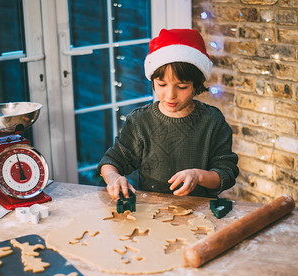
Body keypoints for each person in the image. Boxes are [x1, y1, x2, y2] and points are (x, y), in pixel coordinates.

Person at [98, 28, 239, 200]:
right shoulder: (140, 121)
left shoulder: (212, 121)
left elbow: (226, 174)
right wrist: (114, 177)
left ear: (197, 83)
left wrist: (198, 176)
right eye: (162, 84)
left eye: (182, 87)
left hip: (200, 212)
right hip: (151, 211)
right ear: (153, 81)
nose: (170, 95)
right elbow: (111, 162)